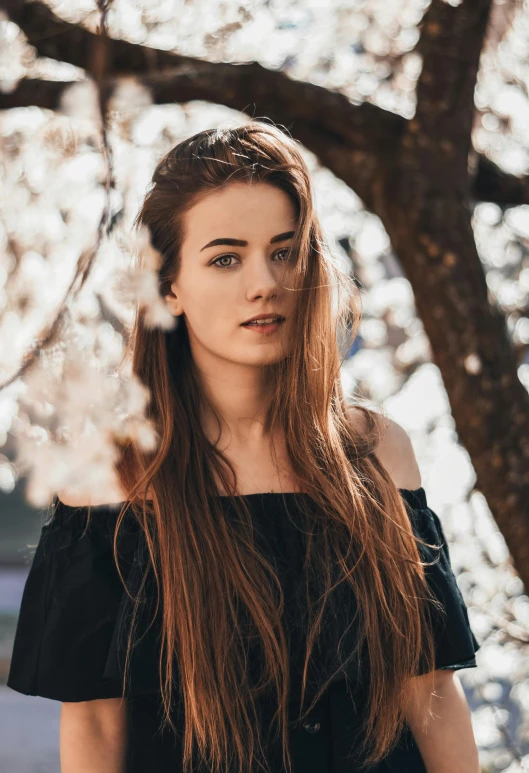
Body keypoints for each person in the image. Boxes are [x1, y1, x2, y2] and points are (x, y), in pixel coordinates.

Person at [7, 121, 481, 773]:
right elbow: (93, 718)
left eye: (284, 252)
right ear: (167, 285)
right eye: (225, 257)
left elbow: (428, 688)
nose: (264, 282)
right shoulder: (108, 472)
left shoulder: (376, 452)